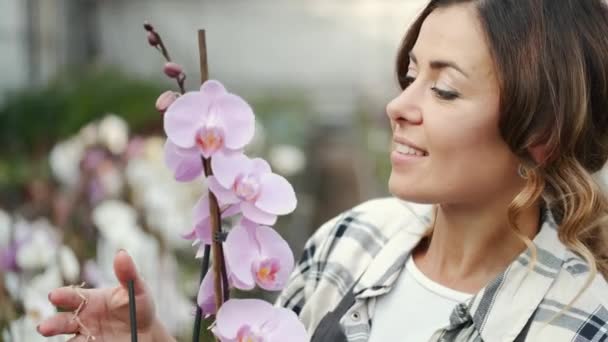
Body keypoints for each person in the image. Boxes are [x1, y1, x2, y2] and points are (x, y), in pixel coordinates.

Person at [38, 0, 608, 341]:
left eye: (444, 88)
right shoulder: (349, 241)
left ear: (540, 135)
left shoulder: (581, 324)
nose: (398, 105)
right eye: (409, 76)